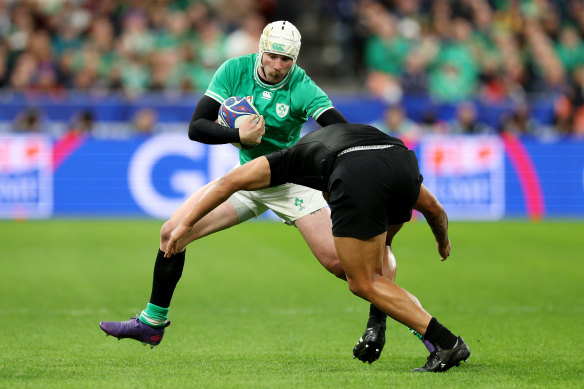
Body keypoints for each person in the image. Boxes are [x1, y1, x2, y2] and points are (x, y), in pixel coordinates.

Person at [100, 20, 399, 363]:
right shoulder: (234, 71)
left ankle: (380, 317)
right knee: (172, 234)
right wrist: (238, 136)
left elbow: (342, 132)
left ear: (295, 59)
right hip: (246, 179)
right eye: (272, 56)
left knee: (341, 265)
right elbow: (197, 128)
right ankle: (152, 323)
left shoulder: (301, 87)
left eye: (286, 60)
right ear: (261, 50)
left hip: (290, 182)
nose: (278, 66)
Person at [162, 123, 471, 372]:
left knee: (361, 282)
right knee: (383, 248)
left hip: (356, 172)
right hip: (399, 157)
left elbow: (227, 183)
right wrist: (442, 241)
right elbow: (434, 209)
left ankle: (445, 342)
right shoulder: (327, 142)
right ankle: (379, 324)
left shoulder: (285, 160)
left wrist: (186, 222)